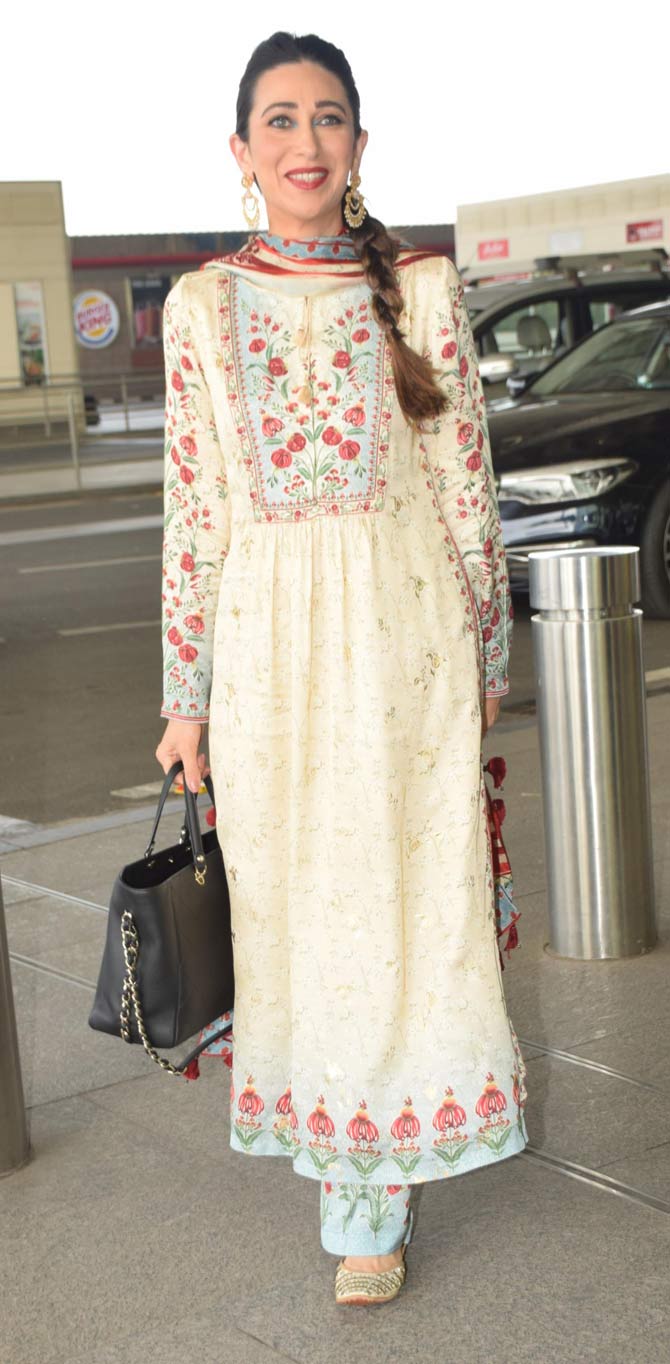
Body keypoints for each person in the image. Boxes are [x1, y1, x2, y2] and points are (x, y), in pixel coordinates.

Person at [155, 30, 528, 1307]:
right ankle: (343, 1167)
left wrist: (485, 649)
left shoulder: (419, 287)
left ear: (358, 145)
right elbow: (193, 505)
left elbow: (463, 481)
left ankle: (383, 1187)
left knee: (410, 905)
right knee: (296, 916)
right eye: (279, 120)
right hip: (267, 656)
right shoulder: (202, 306)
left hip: (405, 637)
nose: (303, 142)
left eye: (327, 118)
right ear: (241, 151)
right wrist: (184, 696)